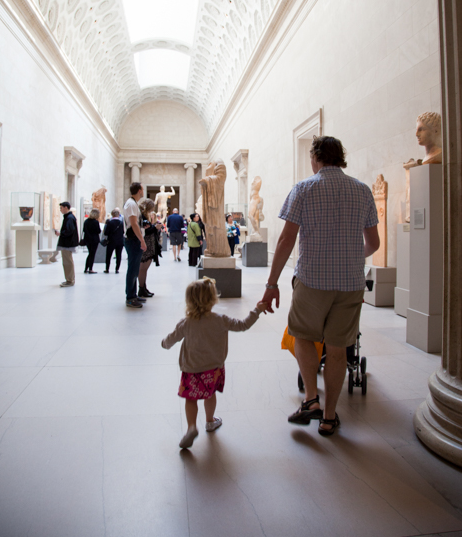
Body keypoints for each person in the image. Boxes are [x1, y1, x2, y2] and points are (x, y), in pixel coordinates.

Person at [261, 136, 380, 436]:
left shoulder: (304, 188)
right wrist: (353, 256)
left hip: (312, 280)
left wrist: (272, 282)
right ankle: (329, 417)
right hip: (351, 283)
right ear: (341, 157)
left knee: (303, 335)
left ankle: (311, 399)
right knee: (339, 349)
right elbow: (373, 243)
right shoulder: (363, 190)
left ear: (315, 157)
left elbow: (286, 239)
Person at [162, 278, 267, 449]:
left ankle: (191, 427)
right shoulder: (220, 320)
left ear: (189, 301)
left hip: (191, 369)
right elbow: (243, 325)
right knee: (209, 394)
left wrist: (164, 344)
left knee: (191, 398)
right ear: (213, 299)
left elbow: (171, 339)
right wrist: (257, 310)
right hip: (213, 369)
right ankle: (210, 421)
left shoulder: (186, 323)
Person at [123, 182, 147, 309]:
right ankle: (130, 298)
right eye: (142, 189)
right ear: (138, 190)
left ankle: (133, 294)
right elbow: (133, 223)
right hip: (133, 240)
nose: (142, 191)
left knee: (135, 268)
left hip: (134, 239)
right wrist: (142, 240)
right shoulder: (131, 204)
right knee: (133, 269)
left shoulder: (133, 203)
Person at [138, 200, 162, 299]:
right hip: (146, 244)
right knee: (143, 268)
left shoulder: (143, 216)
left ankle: (144, 287)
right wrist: (155, 227)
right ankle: (141, 288)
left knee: (144, 268)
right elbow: (145, 231)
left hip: (148, 244)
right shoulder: (141, 217)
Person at [55, 201, 79, 287]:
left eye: (61, 208)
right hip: (67, 243)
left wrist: (60, 233)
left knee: (67, 262)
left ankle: (70, 280)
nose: (60, 210)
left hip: (67, 244)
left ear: (66, 207)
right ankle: (69, 279)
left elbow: (69, 231)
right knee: (67, 262)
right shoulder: (69, 217)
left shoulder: (69, 218)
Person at [103, 208, 124, 274]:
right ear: (118, 214)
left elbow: (106, 232)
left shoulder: (109, 222)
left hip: (111, 241)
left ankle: (107, 268)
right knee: (118, 255)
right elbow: (123, 231)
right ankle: (117, 269)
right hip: (120, 241)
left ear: (112, 214)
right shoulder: (121, 223)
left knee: (108, 255)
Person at [82, 208, 101, 274]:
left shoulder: (86, 221)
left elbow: (84, 230)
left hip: (87, 240)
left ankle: (86, 268)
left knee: (90, 253)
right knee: (92, 254)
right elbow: (98, 231)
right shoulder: (96, 222)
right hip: (94, 240)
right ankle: (90, 269)